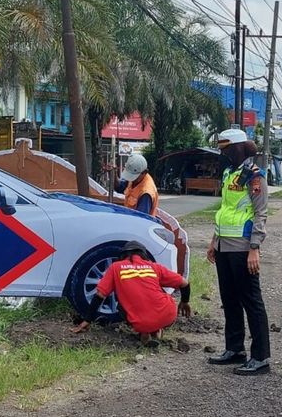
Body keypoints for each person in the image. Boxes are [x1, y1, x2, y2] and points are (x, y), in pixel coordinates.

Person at [206, 128, 270, 375]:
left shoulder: (254, 176)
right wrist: (214, 241)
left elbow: (260, 214)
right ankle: (235, 349)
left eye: (225, 150)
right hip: (224, 246)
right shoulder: (229, 174)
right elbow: (225, 209)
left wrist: (254, 248)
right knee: (229, 300)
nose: (223, 154)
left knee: (251, 301)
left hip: (243, 248)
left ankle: (261, 357)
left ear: (237, 149)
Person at [71, 240, 191, 346]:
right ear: (143, 254)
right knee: (158, 291)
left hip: (140, 322)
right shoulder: (154, 267)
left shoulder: (116, 267)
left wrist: (87, 321)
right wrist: (184, 302)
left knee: (122, 305)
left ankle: (144, 332)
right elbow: (184, 283)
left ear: (123, 255)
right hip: (168, 315)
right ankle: (156, 329)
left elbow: (99, 296)